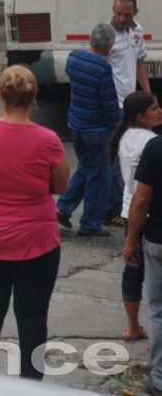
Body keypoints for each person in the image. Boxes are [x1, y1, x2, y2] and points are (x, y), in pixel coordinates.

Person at [0, 65, 69, 380]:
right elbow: (60, 186)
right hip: (36, 242)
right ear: (34, 97)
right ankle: (31, 386)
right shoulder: (48, 140)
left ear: (0, 94)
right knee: (33, 318)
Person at [56, 23, 123, 236]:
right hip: (97, 130)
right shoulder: (103, 69)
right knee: (99, 176)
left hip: (76, 125)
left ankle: (63, 207)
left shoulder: (74, 58)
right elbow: (110, 106)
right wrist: (121, 124)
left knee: (85, 167)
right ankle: (91, 223)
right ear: (109, 46)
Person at [114, 92, 162, 342]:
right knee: (156, 280)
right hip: (148, 213)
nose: (160, 111)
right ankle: (157, 335)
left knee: (133, 269)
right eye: (155, 109)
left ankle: (133, 326)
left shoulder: (125, 137)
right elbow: (144, 197)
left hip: (127, 211)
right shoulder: (152, 142)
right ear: (141, 117)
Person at [107, 0, 153, 227]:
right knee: (118, 155)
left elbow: (138, 64)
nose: (121, 18)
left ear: (135, 12)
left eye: (126, 14)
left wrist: (148, 95)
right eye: (118, 13)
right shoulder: (107, 34)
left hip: (131, 101)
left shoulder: (136, 31)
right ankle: (115, 207)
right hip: (113, 103)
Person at [123, 130, 162, 396]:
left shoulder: (156, 146)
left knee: (158, 310)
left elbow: (141, 200)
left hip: (159, 239)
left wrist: (130, 240)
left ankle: (160, 379)